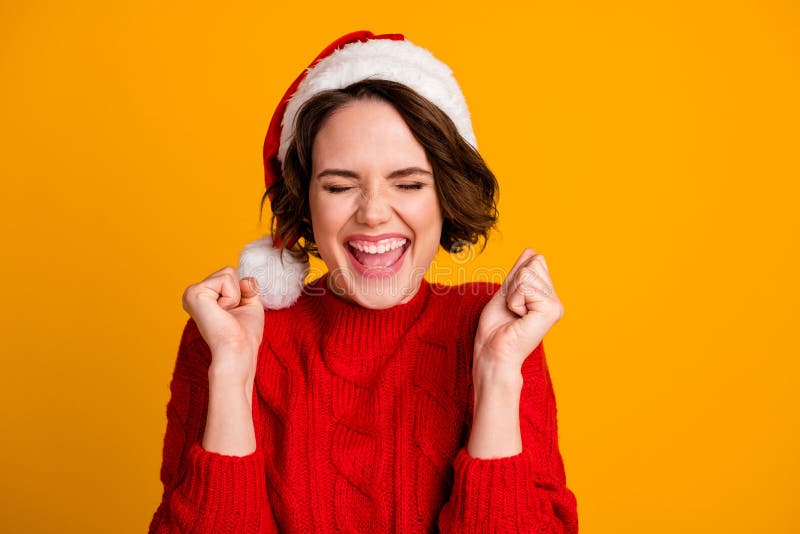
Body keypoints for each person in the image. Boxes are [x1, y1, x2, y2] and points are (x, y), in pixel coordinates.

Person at [148, 30, 579, 533]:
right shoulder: (227, 334)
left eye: (409, 183)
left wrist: (498, 373)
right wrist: (232, 374)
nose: (373, 213)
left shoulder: (497, 330)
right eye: (339, 185)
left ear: (446, 195)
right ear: (305, 200)